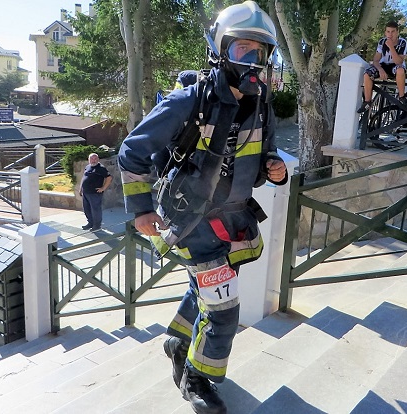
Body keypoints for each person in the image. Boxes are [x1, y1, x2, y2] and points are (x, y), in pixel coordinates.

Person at [118, 2, 288, 413]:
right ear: (219, 50)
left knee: (209, 290)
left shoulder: (260, 103)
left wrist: (274, 169)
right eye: (241, 50)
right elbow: (131, 152)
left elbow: (261, 157)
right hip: (192, 221)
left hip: (232, 218)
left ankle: (178, 342)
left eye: (259, 53)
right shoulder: (188, 101)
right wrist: (140, 209)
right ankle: (197, 379)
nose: (251, 62)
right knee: (226, 310)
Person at [357, 21, 407, 114]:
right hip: (383, 65)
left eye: (393, 32)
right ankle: (367, 102)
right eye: (388, 32)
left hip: (395, 66)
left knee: (400, 70)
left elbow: (399, 61)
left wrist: (391, 47)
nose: (390, 34)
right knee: (367, 74)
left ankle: (401, 97)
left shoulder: (402, 42)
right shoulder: (382, 42)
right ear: (385, 32)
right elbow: (376, 60)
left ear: (397, 32)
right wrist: (380, 69)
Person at [79, 153, 112, 231]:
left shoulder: (101, 168)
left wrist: (103, 188)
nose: (93, 160)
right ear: (89, 159)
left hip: (95, 193)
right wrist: (81, 188)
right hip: (86, 192)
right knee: (87, 209)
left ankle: (97, 225)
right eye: (92, 159)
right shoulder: (87, 167)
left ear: (98, 159)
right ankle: (90, 223)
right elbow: (84, 177)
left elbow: (109, 178)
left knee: (95, 210)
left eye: (95, 159)